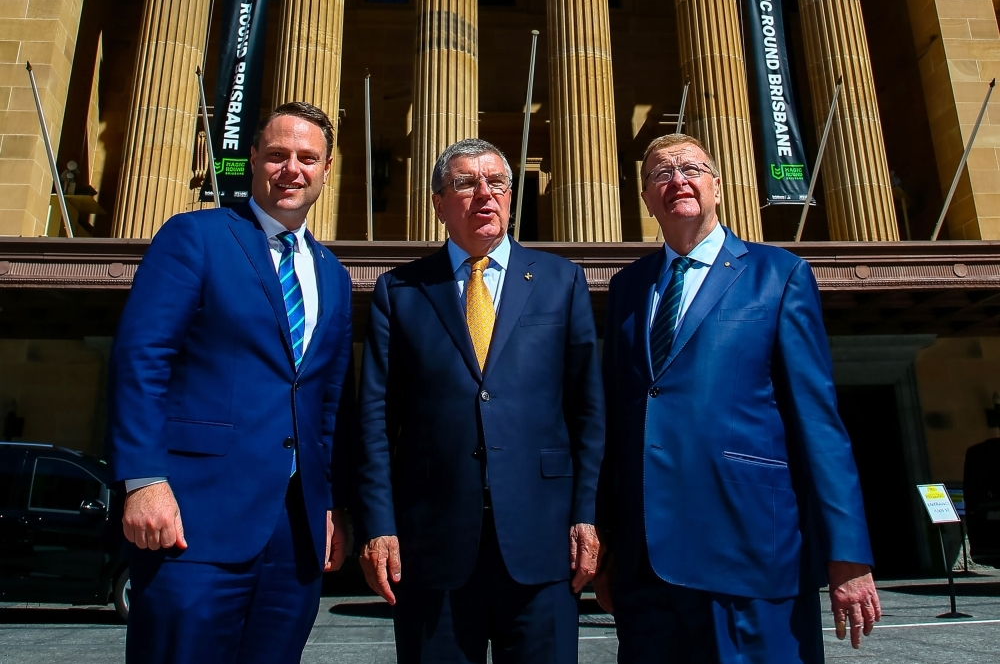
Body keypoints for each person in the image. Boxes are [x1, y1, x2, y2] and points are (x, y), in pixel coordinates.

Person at [595, 133, 881, 663]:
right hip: (647, 566)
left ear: (718, 186)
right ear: (645, 197)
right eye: (660, 173)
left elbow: (817, 423)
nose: (676, 180)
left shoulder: (779, 273)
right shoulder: (627, 288)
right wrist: (611, 545)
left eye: (691, 169)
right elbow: (620, 422)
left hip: (749, 555)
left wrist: (847, 554)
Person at [108, 102, 355, 663]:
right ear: (253, 160)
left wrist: (332, 503)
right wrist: (142, 479)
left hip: (294, 534)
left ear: (327, 168)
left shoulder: (333, 276)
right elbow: (142, 358)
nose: (292, 169)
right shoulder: (195, 236)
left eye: (308, 158)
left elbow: (327, 403)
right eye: (278, 155)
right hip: (193, 521)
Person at [353, 138, 605, 663]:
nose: (484, 194)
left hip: (544, 541)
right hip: (432, 547)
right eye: (465, 183)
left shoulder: (561, 280)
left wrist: (586, 514)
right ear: (439, 203)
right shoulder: (400, 291)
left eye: (497, 183)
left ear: (512, 197)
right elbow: (375, 421)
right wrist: (379, 524)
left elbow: (588, 412)